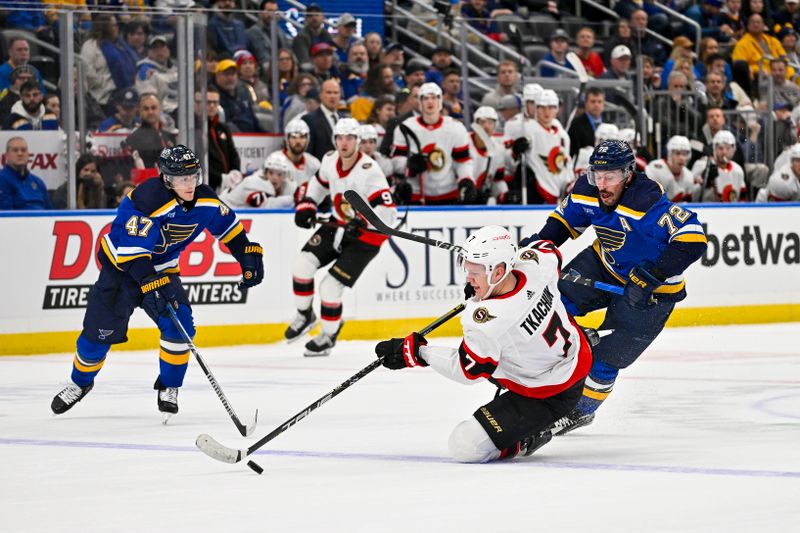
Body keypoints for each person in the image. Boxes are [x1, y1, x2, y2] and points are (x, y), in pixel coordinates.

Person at [50, 145, 264, 420]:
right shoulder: (147, 198)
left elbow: (230, 231)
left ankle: (169, 386)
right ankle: (79, 383)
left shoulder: (206, 200)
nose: (189, 184)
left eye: (193, 177)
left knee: (181, 326)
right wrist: (148, 280)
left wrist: (246, 256)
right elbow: (133, 253)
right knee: (96, 338)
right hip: (122, 271)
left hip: (161, 270)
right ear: (166, 178)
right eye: (181, 179)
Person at [519, 139, 707, 435]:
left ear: (629, 174)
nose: (602, 184)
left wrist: (651, 276)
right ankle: (548, 372)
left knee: (608, 357)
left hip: (652, 293)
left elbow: (694, 241)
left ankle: (579, 412)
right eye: (597, 175)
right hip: (603, 264)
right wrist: (538, 245)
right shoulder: (587, 190)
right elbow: (564, 221)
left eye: (611, 177)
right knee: (553, 307)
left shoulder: (647, 203)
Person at [374, 225, 593, 463]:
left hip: (548, 394)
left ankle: (532, 436)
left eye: (475, 272)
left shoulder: (488, 321)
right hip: (576, 352)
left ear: (498, 272)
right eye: (468, 270)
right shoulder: (535, 264)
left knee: (465, 445)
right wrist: (517, 255)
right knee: (498, 353)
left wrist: (417, 352)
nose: (468, 278)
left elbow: (468, 371)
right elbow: (547, 248)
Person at [286, 118, 397, 356]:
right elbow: (317, 185)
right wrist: (307, 205)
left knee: (329, 288)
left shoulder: (369, 170)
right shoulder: (329, 160)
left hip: (367, 237)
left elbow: (387, 210)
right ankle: (305, 315)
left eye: (349, 138)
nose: (344, 143)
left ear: (357, 141)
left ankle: (328, 335)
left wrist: (363, 222)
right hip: (338, 225)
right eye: (340, 138)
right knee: (301, 265)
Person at [390, 82, 475, 205]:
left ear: (440, 101)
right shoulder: (405, 128)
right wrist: (409, 165)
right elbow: (396, 161)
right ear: (420, 102)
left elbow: (463, 161)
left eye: (434, 97)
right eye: (425, 98)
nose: (430, 102)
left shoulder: (455, 127)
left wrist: (466, 179)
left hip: (449, 194)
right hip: (416, 195)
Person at [505, 87, 572, 204]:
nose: (547, 112)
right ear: (537, 109)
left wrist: (570, 183)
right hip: (536, 191)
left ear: (557, 110)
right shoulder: (526, 128)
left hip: (559, 192)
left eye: (551, 107)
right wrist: (515, 151)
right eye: (542, 107)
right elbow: (508, 163)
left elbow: (566, 163)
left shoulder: (562, 134)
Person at [195, 87, 240, 191]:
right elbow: (198, 161)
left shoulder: (222, 128)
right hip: (206, 185)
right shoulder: (194, 130)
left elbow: (233, 153)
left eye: (215, 102)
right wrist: (220, 178)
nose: (212, 106)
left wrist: (235, 171)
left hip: (227, 187)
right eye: (208, 102)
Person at [220, 151, 296, 208]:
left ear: (284, 177)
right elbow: (266, 205)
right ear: (265, 172)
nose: (274, 177)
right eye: (271, 173)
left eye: (279, 174)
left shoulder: (285, 184)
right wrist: (293, 198)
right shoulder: (254, 183)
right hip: (221, 208)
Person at [469, 106, 511, 204]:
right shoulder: (464, 144)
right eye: (482, 122)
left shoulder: (499, 150)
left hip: (482, 196)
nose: (486, 126)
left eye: (490, 123)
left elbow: (497, 180)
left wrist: (504, 195)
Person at [691, 130, 747, 202]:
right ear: (714, 149)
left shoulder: (738, 170)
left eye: (728, 148)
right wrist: (704, 181)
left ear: (734, 149)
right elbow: (692, 198)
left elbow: (742, 200)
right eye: (721, 148)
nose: (724, 152)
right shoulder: (701, 165)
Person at [0, 136, 52, 210]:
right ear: (7, 156)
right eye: (15, 150)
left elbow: (50, 213)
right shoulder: (2, 179)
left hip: (43, 220)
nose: (20, 153)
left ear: (28, 155)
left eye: (23, 150)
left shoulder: (38, 182)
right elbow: (6, 216)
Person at [645, 135, 699, 202]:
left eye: (684, 154)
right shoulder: (655, 167)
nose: (681, 158)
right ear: (670, 154)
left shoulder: (689, 176)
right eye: (677, 153)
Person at [272, 118, 321, 188]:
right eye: (294, 137)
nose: (298, 141)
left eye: (302, 137)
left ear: (308, 140)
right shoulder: (274, 161)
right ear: (287, 139)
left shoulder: (314, 164)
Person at [302, 79, 342, 161]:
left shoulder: (344, 120)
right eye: (329, 92)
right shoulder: (309, 120)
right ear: (320, 95)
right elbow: (307, 154)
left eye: (336, 93)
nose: (332, 96)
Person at [568, 87, 605, 158]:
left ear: (603, 104)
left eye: (599, 101)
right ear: (586, 103)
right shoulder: (576, 124)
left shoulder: (608, 124)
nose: (596, 105)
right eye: (593, 101)